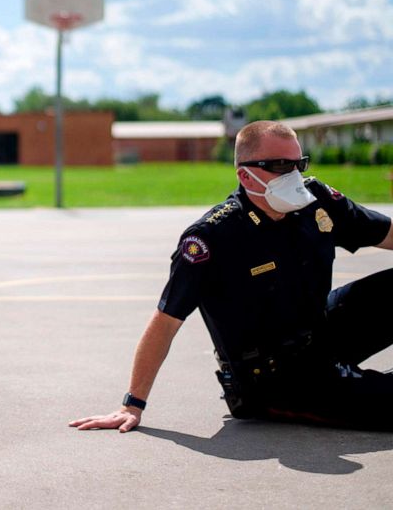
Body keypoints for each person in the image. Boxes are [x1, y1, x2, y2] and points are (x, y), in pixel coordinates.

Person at [70, 120, 393, 433]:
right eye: (280, 166)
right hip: (273, 376)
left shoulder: (316, 201)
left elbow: (384, 233)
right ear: (246, 175)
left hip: (319, 332)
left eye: (299, 164)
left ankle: (347, 377)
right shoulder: (213, 237)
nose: (293, 175)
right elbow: (166, 321)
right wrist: (132, 405)